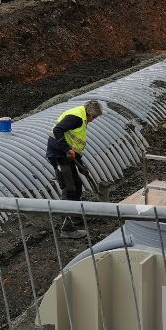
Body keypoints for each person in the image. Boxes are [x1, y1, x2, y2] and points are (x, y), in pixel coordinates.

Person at [45, 100, 104, 238]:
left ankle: (76, 217)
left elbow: (74, 143)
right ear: (91, 114)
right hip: (59, 155)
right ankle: (66, 229)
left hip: (67, 156)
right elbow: (57, 130)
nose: (93, 120)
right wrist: (66, 149)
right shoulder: (76, 118)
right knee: (69, 190)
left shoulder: (81, 117)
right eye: (94, 118)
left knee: (77, 185)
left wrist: (81, 164)